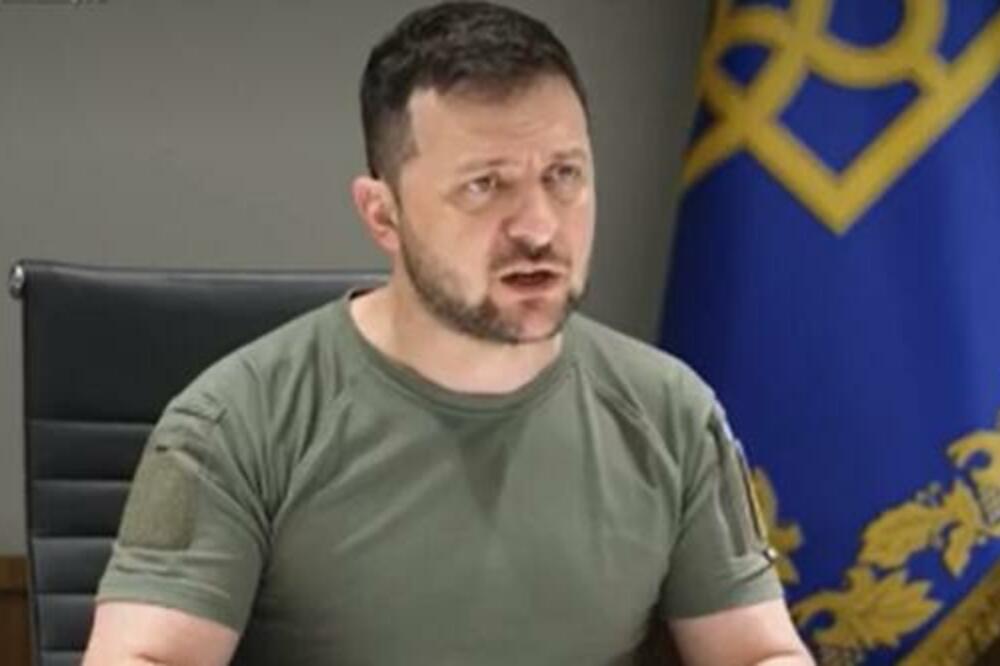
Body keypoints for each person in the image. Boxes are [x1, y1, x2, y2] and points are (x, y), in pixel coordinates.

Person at [82, 2, 814, 665]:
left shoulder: (672, 415)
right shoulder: (232, 424)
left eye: (564, 175)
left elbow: (757, 653)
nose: (539, 227)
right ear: (383, 215)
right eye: (484, 185)